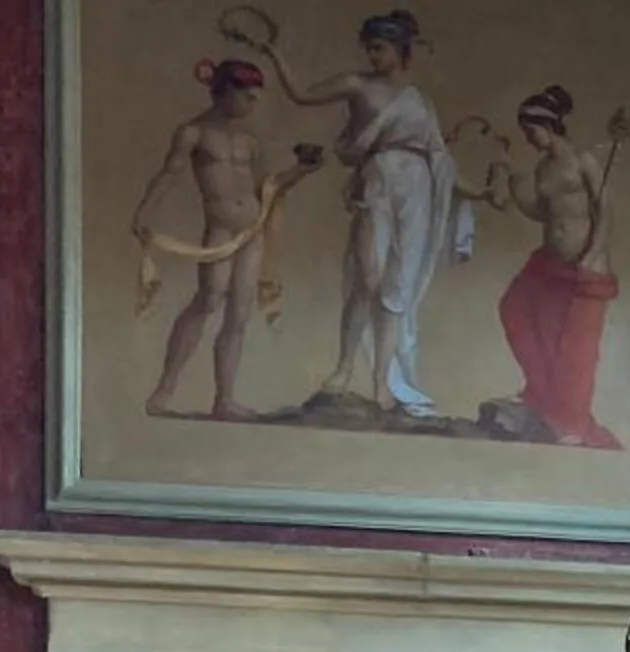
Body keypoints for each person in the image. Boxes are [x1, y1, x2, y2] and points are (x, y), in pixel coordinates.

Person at [261, 11, 456, 416]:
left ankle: (381, 381)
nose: (372, 55)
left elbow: (439, 153)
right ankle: (344, 368)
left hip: (417, 185)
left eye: (380, 47)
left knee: (396, 286)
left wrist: (473, 192)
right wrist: (274, 52)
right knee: (367, 276)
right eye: (369, 47)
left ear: (401, 49)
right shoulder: (357, 84)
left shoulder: (418, 99)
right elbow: (301, 93)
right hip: (378, 178)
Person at [133, 59, 323, 419]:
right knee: (208, 300)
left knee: (238, 314)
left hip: (251, 231)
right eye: (247, 96)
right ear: (226, 92)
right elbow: (170, 173)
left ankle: (225, 398)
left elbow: (268, 187)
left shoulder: (250, 141)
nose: (251, 104)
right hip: (221, 231)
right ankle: (165, 389)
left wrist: (302, 170)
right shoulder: (194, 132)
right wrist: (145, 212)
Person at [467, 86, 630, 447]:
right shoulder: (543, 167)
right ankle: (542, 393)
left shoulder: (584, 160)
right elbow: (541, 212)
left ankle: (570, 421)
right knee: (515, 309)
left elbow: (605, 209)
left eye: (531, 130)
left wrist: (596, 250)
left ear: (549, 124)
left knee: (576, 343)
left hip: (585, 263)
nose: (529, 138)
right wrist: (512, 178)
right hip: (550, 261)